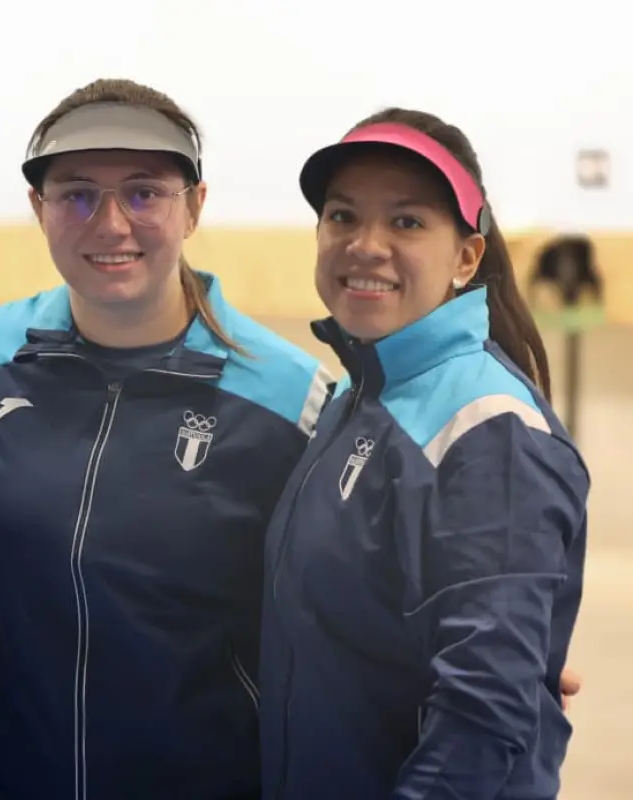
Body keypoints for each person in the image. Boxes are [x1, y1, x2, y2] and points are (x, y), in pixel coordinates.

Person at [0, 78, 335, 800]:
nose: (110, 224)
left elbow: (342, 601)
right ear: (38, 209)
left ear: (195, 205)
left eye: (144, 193)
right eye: (76, 194)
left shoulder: (289, 395)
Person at [258, 108, 590, 799]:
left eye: (406, 222)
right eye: (343, 217)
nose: (366, 245)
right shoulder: (362, 396)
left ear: (466, 257)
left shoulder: (487, 429)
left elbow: (483, 711)